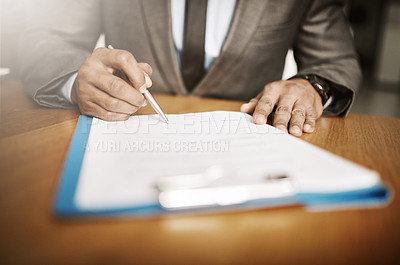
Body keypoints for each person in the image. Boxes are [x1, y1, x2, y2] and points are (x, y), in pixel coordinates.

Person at [19, 0, 361, 137]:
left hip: (247, 151)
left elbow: (336, 61)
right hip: (127, 139)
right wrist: (75, 79)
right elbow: (43, 36)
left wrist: (310, 86)